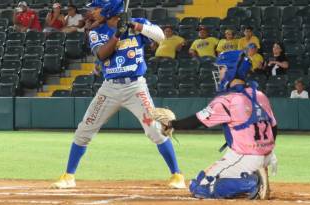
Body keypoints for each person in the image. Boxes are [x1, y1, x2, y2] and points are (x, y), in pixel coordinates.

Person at [51, 0, 186, 190]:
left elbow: (161, 36)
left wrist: (133, 25)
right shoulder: (97, 30)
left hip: (135, 87)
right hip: (110, 89)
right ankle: (68, 176)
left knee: (155, 130)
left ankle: (177, 175)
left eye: (95, 8)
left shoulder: (136, 22)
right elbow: (101, 55)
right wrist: (117, 34)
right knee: (85, 129)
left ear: (108, 9)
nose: (91, 12)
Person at [150, 50, 278, 200]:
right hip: (267, 155)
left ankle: (253, 183)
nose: (220, 72)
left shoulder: (226, 100)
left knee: (200, 188)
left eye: (222, 68)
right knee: (200, 178)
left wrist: (171, 124)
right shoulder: (260, 95)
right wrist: (263, 151)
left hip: (245, 155)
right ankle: (254, 173)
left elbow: (196, 121)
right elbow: (273, 127)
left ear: (232, 70)